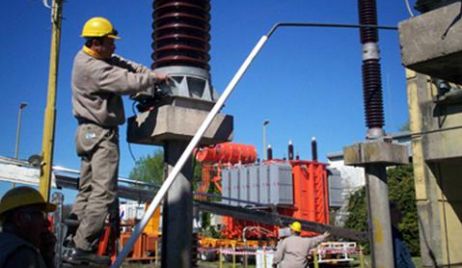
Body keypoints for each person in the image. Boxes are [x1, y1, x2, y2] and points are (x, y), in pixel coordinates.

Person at [65, 17, 169, 265]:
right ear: (97, 42)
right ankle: (82, 248)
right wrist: (153, 79)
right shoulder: (93, 69)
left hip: (86, 133)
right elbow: (124, 81)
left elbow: (123, 65)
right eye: (110, 43)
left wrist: (147, 73)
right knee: (104, 193)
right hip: (101, 134)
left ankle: (72, 236)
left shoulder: (90, 57)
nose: (114, 47)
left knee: (87, 188)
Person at [0, 186, 57, 268]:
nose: (47, 223)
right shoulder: (22, 254)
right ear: (20, 218)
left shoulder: (6, 248)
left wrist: (46, 256)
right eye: (39, 215)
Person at [390, 202, 415, 268]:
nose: (400, 213)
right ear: (389, 215)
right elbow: (398, 260)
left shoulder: (396, 233)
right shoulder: (393, 235)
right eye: (396, 211)